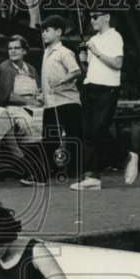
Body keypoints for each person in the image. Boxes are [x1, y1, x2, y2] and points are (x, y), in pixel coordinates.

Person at [71, 8, 137, 190]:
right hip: (90, 85)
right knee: (89, 132)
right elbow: (91, 68)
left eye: (95, 17)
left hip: (107, 88)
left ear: (107, 17)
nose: (92, 20)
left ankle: (126, 156)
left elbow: (117, 64)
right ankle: (92, 176)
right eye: (90, 17)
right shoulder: (93, 40)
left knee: (99, 129)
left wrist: (97, 52)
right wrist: (83, 60)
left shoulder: (114, 37)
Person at [0, 35, 48, 185]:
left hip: (34, 105)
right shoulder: (5, 68)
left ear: (25, 51)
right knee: (28, 124)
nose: (13, 51)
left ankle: (48, 167)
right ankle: (33, 170)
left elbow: (39, 89)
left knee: (48, 120)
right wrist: (29, 101)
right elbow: (6, 96)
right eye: (10, 48)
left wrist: (39, 97)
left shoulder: (31, 69)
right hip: (13, 108)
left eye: (17, 48)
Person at [39, 15, 84, 184]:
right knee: (49, 137)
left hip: (68, 100)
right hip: (51, 103)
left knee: (74, 136)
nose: (44, 34)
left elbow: (76, 71)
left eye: (47, 30)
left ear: (58, 32)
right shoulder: (46, 53)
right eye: (43, 31)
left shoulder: (64, 52)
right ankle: (47, 171)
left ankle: (76, 171)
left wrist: (63, 79)